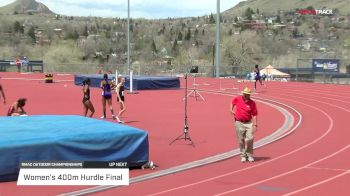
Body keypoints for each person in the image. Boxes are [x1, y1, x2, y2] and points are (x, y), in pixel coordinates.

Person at [230, 87, 258, 163]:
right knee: (241, 140)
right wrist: (231, 110)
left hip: (248, 123)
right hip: (239, 122)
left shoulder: (252, 103)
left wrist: (255, 125)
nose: (246, 95)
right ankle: (243, 155)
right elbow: (232, 102)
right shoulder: (238, 99)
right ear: (243, 94)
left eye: (248, 94)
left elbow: (255, 114)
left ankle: (249, 155)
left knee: (250, 138)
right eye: (245, 94)